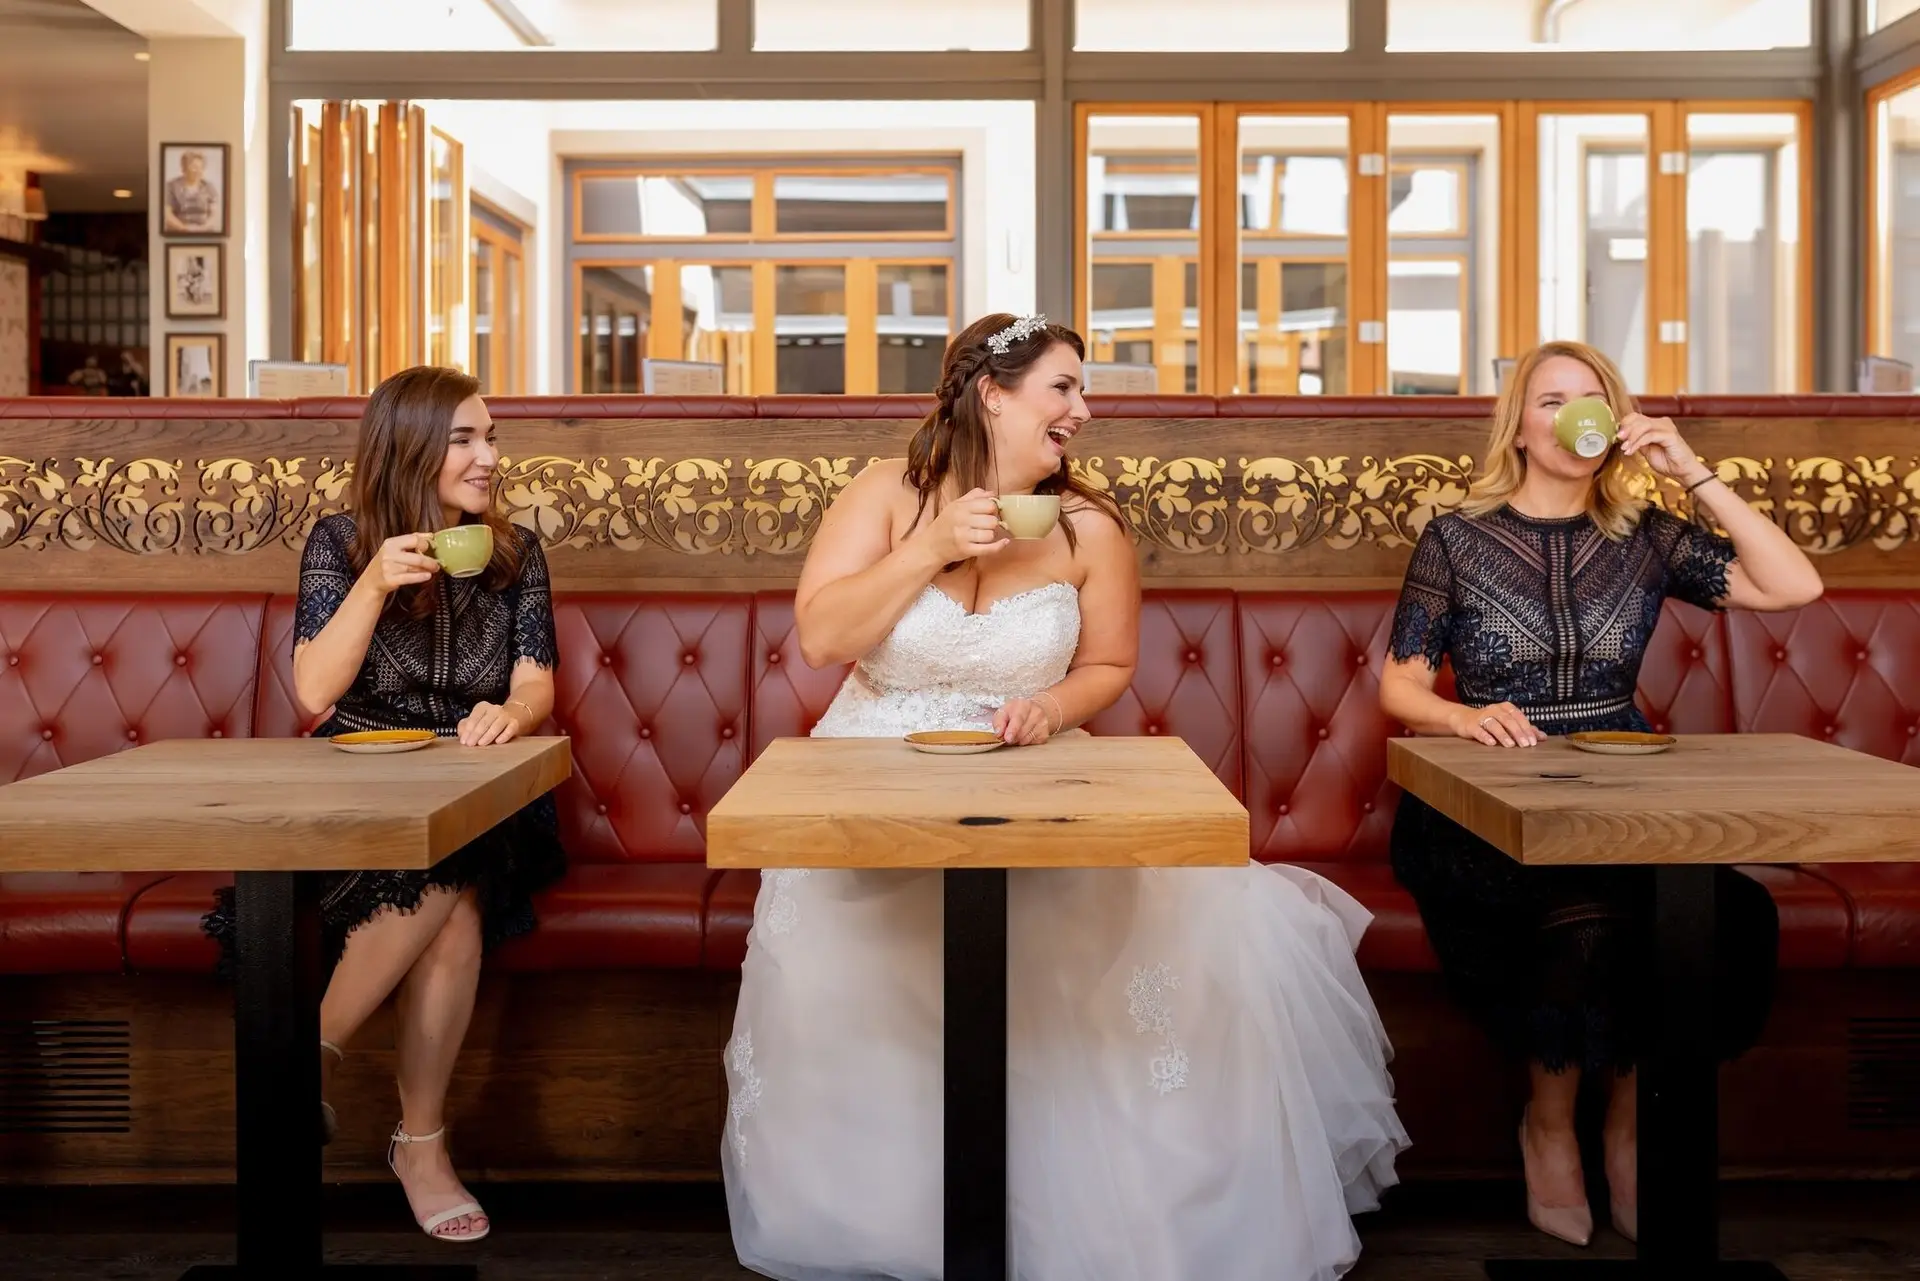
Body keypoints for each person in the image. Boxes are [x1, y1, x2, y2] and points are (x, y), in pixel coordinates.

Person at [722, 313, 1408, 1281]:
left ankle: (1077, 1210)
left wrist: (1050, 705)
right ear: (992, 395)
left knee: (1082, 931)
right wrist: (929, 549)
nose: (1083, 411)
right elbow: (825, 638)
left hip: (1032, 777)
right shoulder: (885, 495)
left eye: (1082, 393)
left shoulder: (1089, 528)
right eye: (1064, 388)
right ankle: (890, 1221)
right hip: (870, 777)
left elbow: (1112, 663)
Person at [1379, 339, 1824, 1248]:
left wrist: (1688, 469)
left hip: (1622, 793)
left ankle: (1627, 1128)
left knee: (1710, 914)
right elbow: (1400, 688)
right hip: (1484, 801)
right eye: (1551, 400)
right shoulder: (1456, 537)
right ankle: (1549, 1128)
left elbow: (1796, 586)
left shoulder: (1647, 536)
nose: (1571, 414)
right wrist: (1469, 719)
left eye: (1591, 398)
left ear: (1614, 422)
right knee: (1589, 915)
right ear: (1520, 427)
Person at [201, 366, 564, 1243]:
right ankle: (422, 1145)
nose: (489, 457)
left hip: (482, 782)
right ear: (410, 450)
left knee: (466, 843)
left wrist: (508, 714)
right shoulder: (341, 542)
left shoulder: (513, 551)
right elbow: (313, 694)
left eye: (491, 436)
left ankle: (300, 1059)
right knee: (456, 910)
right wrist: (372, 585)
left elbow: (536, 680)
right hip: (356, 779)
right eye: (466, 439)